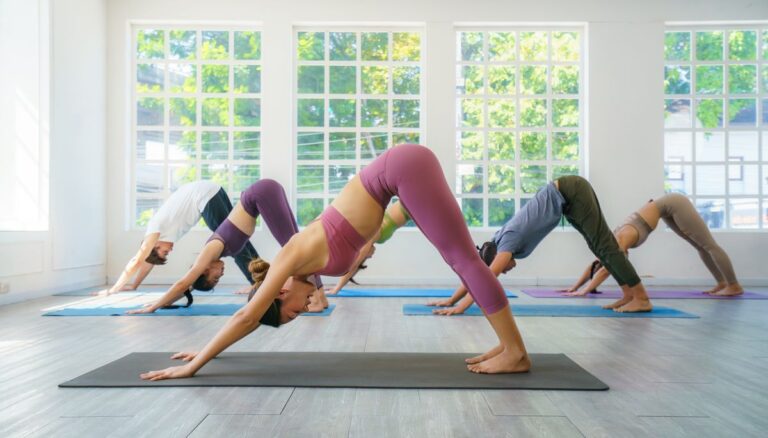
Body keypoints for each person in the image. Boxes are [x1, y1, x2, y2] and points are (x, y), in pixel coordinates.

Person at [139, 144, 530, 382]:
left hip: (401, 170)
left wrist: (195, 364)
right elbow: (250, 321)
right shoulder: (302, 270)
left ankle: (515, 352)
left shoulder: (289, 259)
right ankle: (506, 346)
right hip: (399, 178)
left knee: (463, 259)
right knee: (458, 258)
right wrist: (209, 349)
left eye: (291, 314)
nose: (302, 312)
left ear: (281, 293)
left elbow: (246, 317)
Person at [428, 175, 653, 315]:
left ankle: (641, 298)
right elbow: (479, 272)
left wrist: (462, 307)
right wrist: (451, 299)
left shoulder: (508, 242)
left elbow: (488, 277)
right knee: (600, 247)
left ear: (497, 257)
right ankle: (628, 295)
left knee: (605, 246)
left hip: (571, 191)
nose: (507, 269)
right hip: (567, 198)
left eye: (503, 267)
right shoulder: (498, 239)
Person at [127, 179, 327, 314]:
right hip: (264, 192)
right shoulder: (215, 255)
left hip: (261, 194)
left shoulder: (207, 254)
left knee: (297, 250)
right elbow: (185, 287)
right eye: (219, 279)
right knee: (297, 244)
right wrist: (169, 302)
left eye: (215, 277)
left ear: (204, 270)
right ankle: (319, 296)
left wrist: (153, 306)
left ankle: (318, 298)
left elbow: (182, 283)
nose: (221, 274)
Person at [562, 192, 743, 296]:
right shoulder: (608, 244)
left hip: (673, 203)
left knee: (708, 244)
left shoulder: (620, 241)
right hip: (664, 210)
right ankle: (721, 283)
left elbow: (605, 269)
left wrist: (585, 290)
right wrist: (575, 287)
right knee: (699, 246)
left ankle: (733, 285)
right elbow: (595, 265)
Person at [99, 181, 257, 295]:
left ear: (155, 246)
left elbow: (138, 260)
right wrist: (134, 285)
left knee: (232, 242)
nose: (170, 250)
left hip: (205, 196)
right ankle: (261, 278)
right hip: (212, 190)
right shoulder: (162, 234)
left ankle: (257, 283)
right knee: (239, 237)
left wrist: (114, 288)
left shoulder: (155, 229)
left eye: (165, 252)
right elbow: (147, 263)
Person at [326, 201, 411, 294]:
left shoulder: (367, 239)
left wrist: (337, 288)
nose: (370, 256)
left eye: (366, 257)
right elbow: (355, 267)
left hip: (407, 206)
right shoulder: (371, 239)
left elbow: (353, 266)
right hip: (409, 210)